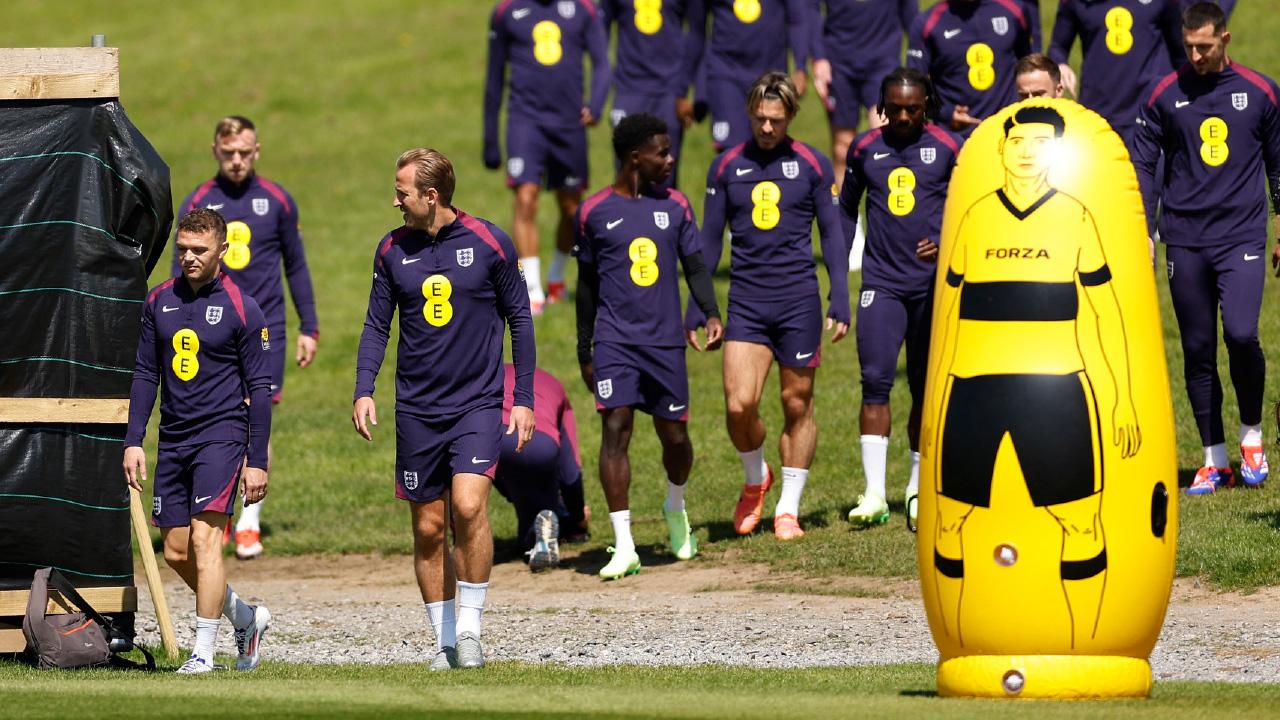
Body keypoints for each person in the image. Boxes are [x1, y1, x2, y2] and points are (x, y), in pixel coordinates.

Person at [932, 105, 1140, 649]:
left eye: (1039, 141)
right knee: (950, 522)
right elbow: (950, 313)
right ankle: (961, 643)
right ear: (1001, 149)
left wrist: (1120, 400)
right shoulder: (976, 216)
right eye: (1017, 140)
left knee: (1080, 523)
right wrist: (934, 405)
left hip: (1057, 393)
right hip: (973, 391)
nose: (1026, 150)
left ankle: (1087, 647)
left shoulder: (1076, 216)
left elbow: (1107, 312)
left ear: (1056, 152)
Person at [353, 148, 536, 671]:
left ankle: (473, 633)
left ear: (431, 196)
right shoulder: (390, 250)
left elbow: (520, 320)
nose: (395, 200)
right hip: (416, 410)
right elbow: (375, 326)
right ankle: (445, 642)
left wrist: (521, 399)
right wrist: (364, 388)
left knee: (470, 507)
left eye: (402, 192)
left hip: (477, 403)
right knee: (429, 528)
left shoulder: (490, 243)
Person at [687, 72, 850, 541]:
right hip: (748, 303)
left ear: (791, 117)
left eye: (775, 120)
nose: (766, 128)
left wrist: (839, 295)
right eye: (759, 118)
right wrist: (699, 306)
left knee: (795, 402)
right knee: (740, 405)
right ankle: (757, 477)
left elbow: (832, 236)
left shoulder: (814, 165)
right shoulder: (725, 167)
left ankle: (788, 509)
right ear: (749, 113)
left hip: (798, 301)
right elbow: (709, 239)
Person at [1132, 2, 1280, 494]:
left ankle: (1252, 437)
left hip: (1241, 236)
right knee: (1196, 349)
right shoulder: (1162, 94)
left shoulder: (1260, 93)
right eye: (1189, 46)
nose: (1195, 55)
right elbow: (1145, 164)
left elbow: (1278, 166)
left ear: (1226, 39)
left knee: (1240, 335)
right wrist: (1145, 230)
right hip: (1185, 239)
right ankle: (1213, 459)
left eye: (1205, 46)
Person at [124, 208, 274, 674]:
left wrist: (257, 459)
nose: (188, 257)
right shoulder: (158, 301)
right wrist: (134, 440)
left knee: (207, 541)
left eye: (199, 250)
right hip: (173, 438)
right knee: (175, 551)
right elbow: (147, 373)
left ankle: (204, 652)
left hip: (223, 436)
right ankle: (245, 618)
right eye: (182, 249)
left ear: (222, 251)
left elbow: (261, 391)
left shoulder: (243, 308)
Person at [576, 112, 724, 579]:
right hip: (616, 341)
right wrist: (586, 350)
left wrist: (711, 312)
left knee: (675, 436)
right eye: (663, 151)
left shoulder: (676, 205)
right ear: (636, 156)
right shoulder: (593, 211)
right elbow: (585, 288)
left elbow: (696, 267)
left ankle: (675, 507)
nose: (671, 158)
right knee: (615, 429)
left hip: (664, 344)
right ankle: (624, 545)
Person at [174, 116, 319, 561]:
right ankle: (214, 514)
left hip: (265, 329)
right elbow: (179, 271)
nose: (237, 161)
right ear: (215, 151)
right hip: (211, 331)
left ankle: (249, 522)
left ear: (257, 152)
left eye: (245, 152)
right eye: (228, 152)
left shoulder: (276, 200)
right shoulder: (199, 201)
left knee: (256, 414)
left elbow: (295, 265)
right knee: (215, 416)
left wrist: (308, 327)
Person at [840, 69, 960, 532]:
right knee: (874, 382)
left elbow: (970, 207)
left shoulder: (949, 148)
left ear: (926, 103)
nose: (905, 116)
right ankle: (873, 493)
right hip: (882, 283)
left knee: (925, 388)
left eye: (914, 108)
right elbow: (845, 210)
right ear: (882, 106)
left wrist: (945, 239)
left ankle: (916, 486)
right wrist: (839, 267)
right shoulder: (865, 148)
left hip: (932, 287)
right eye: (896, 108)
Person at [483, 0, 611, 314]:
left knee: (571, 209)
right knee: (525, 199)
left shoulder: (584, 10)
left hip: (568, 125)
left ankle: (555, 276)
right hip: (524, 122)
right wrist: (490, 139)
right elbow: (494, 78)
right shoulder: (506, 12)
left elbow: (603, 63)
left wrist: (594, 106)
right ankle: (532, 289)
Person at [492, 363, 590, 571]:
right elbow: (570, 475)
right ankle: (542, 537)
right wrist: (579, 517)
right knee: (541, 497)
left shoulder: (491, 372)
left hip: (487, 438)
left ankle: (464, 539)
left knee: (503, 483)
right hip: (537, 443)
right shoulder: (555, 386)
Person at [1048, 0, 1183, 145]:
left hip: (1148, 108)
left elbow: (1181, 52)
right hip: (1098, 109)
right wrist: (1060, 64)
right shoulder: (1076, 3)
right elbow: (1058, 46)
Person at [685, 0, 812, 151]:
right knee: (730, 149)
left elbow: (797, 18)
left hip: (771, 76)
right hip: (726, 72)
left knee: (769, 142)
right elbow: (696, 29)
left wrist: (800, 67)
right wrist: (691, 89)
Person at [600, 0, 700, 188]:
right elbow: (598, 34)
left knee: (664, 177)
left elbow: (697, 32)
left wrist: (682, 90)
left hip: (669, 93)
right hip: (628, 90)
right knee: (627, 177)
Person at [907, 0, 1033, 136]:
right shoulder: (927, 24)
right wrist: (946, 113)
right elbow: (914, 88)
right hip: (958, 138)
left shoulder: (1015, 10)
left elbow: (1029, 67)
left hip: (1011, 131)